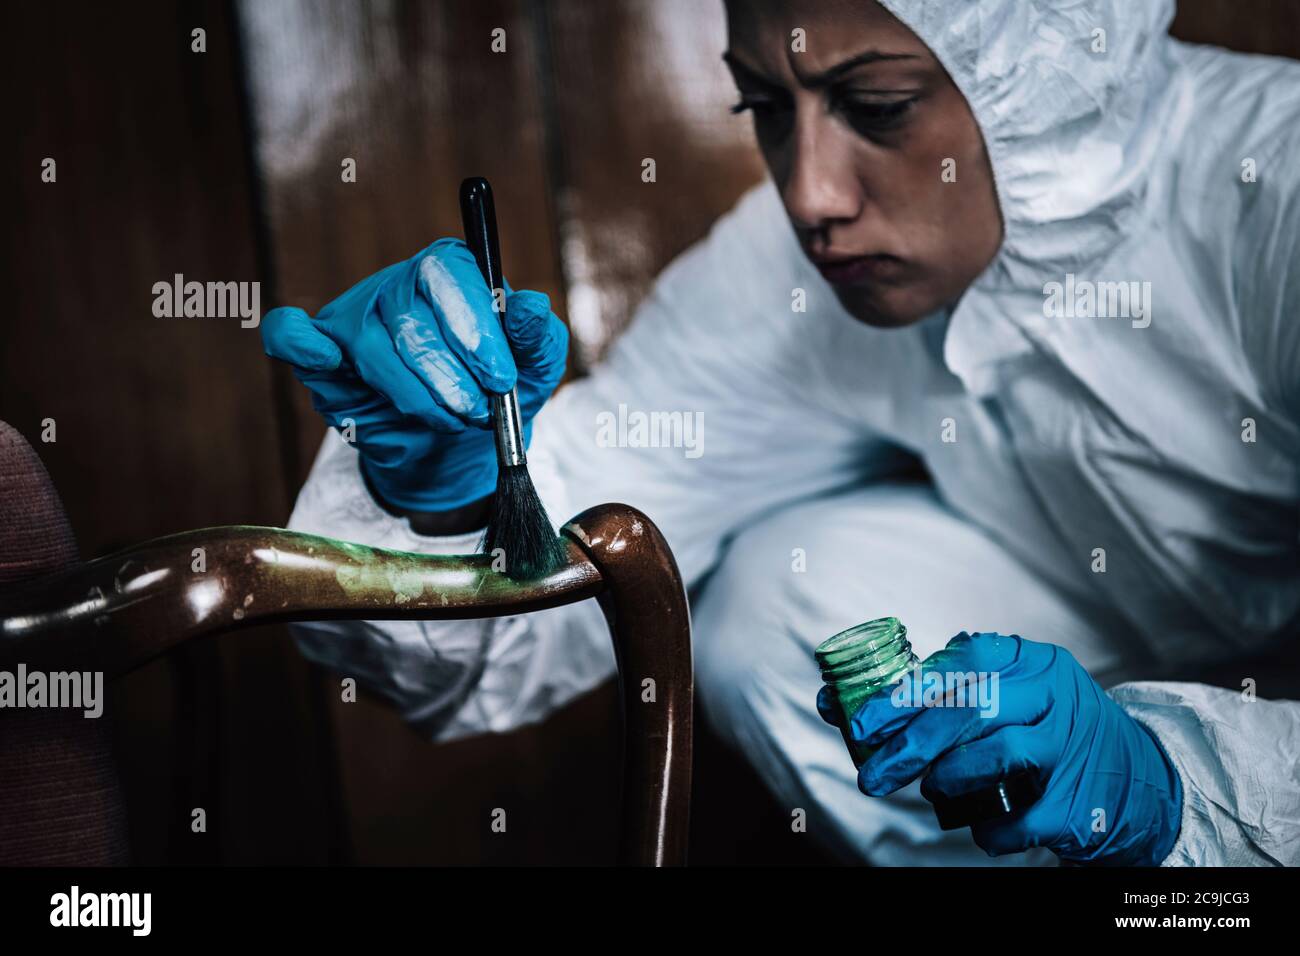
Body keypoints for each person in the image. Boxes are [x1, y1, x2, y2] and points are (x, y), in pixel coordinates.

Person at [260, 0, 1300, 866]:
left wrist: (1189, 787)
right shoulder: (790, 278)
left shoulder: (1275, 194)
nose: (809, 195)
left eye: (877, 104)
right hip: (1095, 644)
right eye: (764, 106)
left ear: (1041, 64)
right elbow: (515, 622)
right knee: (772, 602)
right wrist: (439, 487)